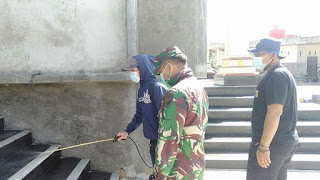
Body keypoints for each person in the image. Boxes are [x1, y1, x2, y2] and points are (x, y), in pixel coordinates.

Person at [153, 46, 209, 180]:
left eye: (161, 71)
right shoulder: (198, 88)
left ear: (169, 67)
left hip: (177, 172)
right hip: (195, 167)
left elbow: (169, 139)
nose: (161, 76)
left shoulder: (176, 93)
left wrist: (159, 175)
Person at [247, 38, 299, 180]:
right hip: (281, 142)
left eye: (259, 54)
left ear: (272, 55)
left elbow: (275, 111)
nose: (256, 58)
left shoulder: (276, 76)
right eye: (255, 55)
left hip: (273, 144)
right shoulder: (281, 74)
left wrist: (263, 147)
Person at [116, 55, 167, 169]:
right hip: (153, 142)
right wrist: (127, 131)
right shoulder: (141, 90)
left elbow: (169, 118)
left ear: (143, 69)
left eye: (133, 70)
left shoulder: (157, 88)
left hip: (164, 143)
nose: (131, 74)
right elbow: (139, 115)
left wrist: (165, 143)